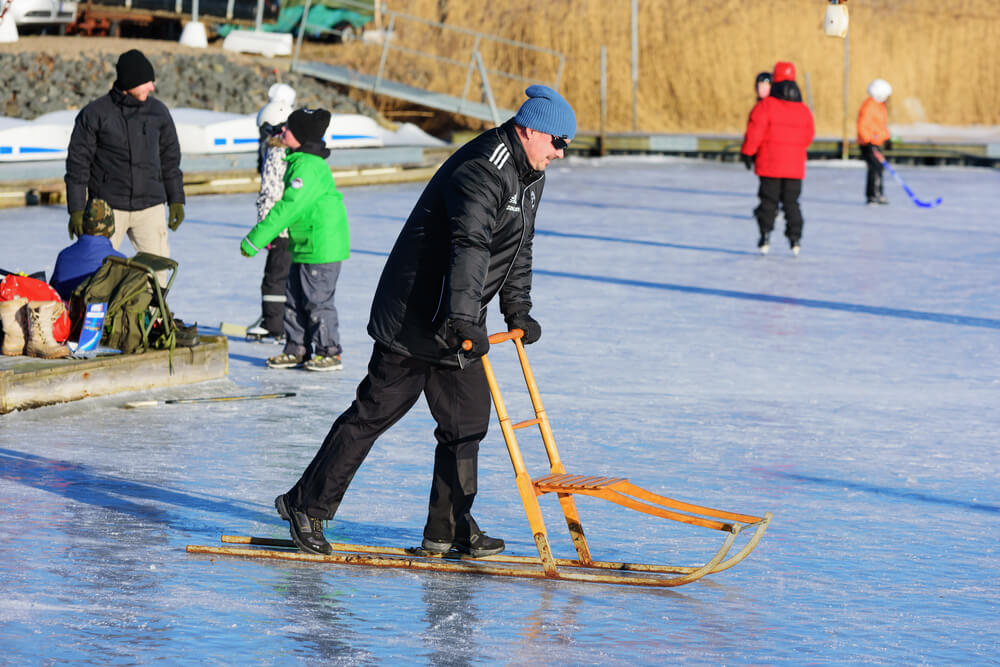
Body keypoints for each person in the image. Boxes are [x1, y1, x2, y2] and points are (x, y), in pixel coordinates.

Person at [272, 84, 576, 558]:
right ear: (530, 130)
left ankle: (449, 525)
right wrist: (461, 318)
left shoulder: (530, 174)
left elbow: (518, 247)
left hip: (458, 319)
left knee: (467, 423)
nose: (561, 153)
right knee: (373, 414)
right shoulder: (483, 168)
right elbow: (469, 244)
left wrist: (517, 309)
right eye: (558, 142)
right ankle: (304, 505)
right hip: (417, 316)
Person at [240, 107, 349, 372]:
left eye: (288, 128)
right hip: (304, 242)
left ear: (300, 136)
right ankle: (296, 348)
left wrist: (255, 239)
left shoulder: (308, 168)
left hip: (321, 245)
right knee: (294, 297)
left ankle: (328, 351)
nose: (282, 131)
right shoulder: (299, 160)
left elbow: (288, 208)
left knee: (316, 300)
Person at [65, 49, 185, 274]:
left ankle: (154, 310)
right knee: (98, 272)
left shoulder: (158, 112)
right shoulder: (96, 113)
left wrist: (176, 199)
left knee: (157, 275)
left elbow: (170, 159)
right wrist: (77, 209)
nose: (152, 87)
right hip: (108, 209)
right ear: (130, 82)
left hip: (150, 207)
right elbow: (78, 164)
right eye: (146, 82)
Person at [740, 61, 815, 256]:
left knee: (768, 202)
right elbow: (808, 136)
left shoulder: (765, 106)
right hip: (794, 167)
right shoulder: (803, 110)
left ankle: (765, 236)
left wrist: (748, 152)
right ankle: (795, 238)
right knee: (792, 203)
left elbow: (755, 132)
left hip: (769, 164)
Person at [247, 84, 297, 341]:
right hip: (291, 226)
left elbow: (270, 194)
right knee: (286, 277)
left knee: (274, 279)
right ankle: (281, 320)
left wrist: (264, 229)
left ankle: (273, 323)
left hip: (278, 227)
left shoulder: (276, 154)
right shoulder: (292, 153)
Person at [50, 198, 126, 301]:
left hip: (69, 315)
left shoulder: (64, 256)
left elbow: (53, 291)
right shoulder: (120, 261)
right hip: (106, 316)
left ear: (83, 224)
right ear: (111, 228)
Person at [857, 78, 893, 205]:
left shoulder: (880, 106)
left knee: (879, 168)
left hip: (877, 142)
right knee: (874, 167)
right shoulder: (869, 106)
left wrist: (887, 138)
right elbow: (862, 125)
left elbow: (880, 126)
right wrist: (868, 141)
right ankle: (872, 195)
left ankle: (878, 193)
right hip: (868, 143)